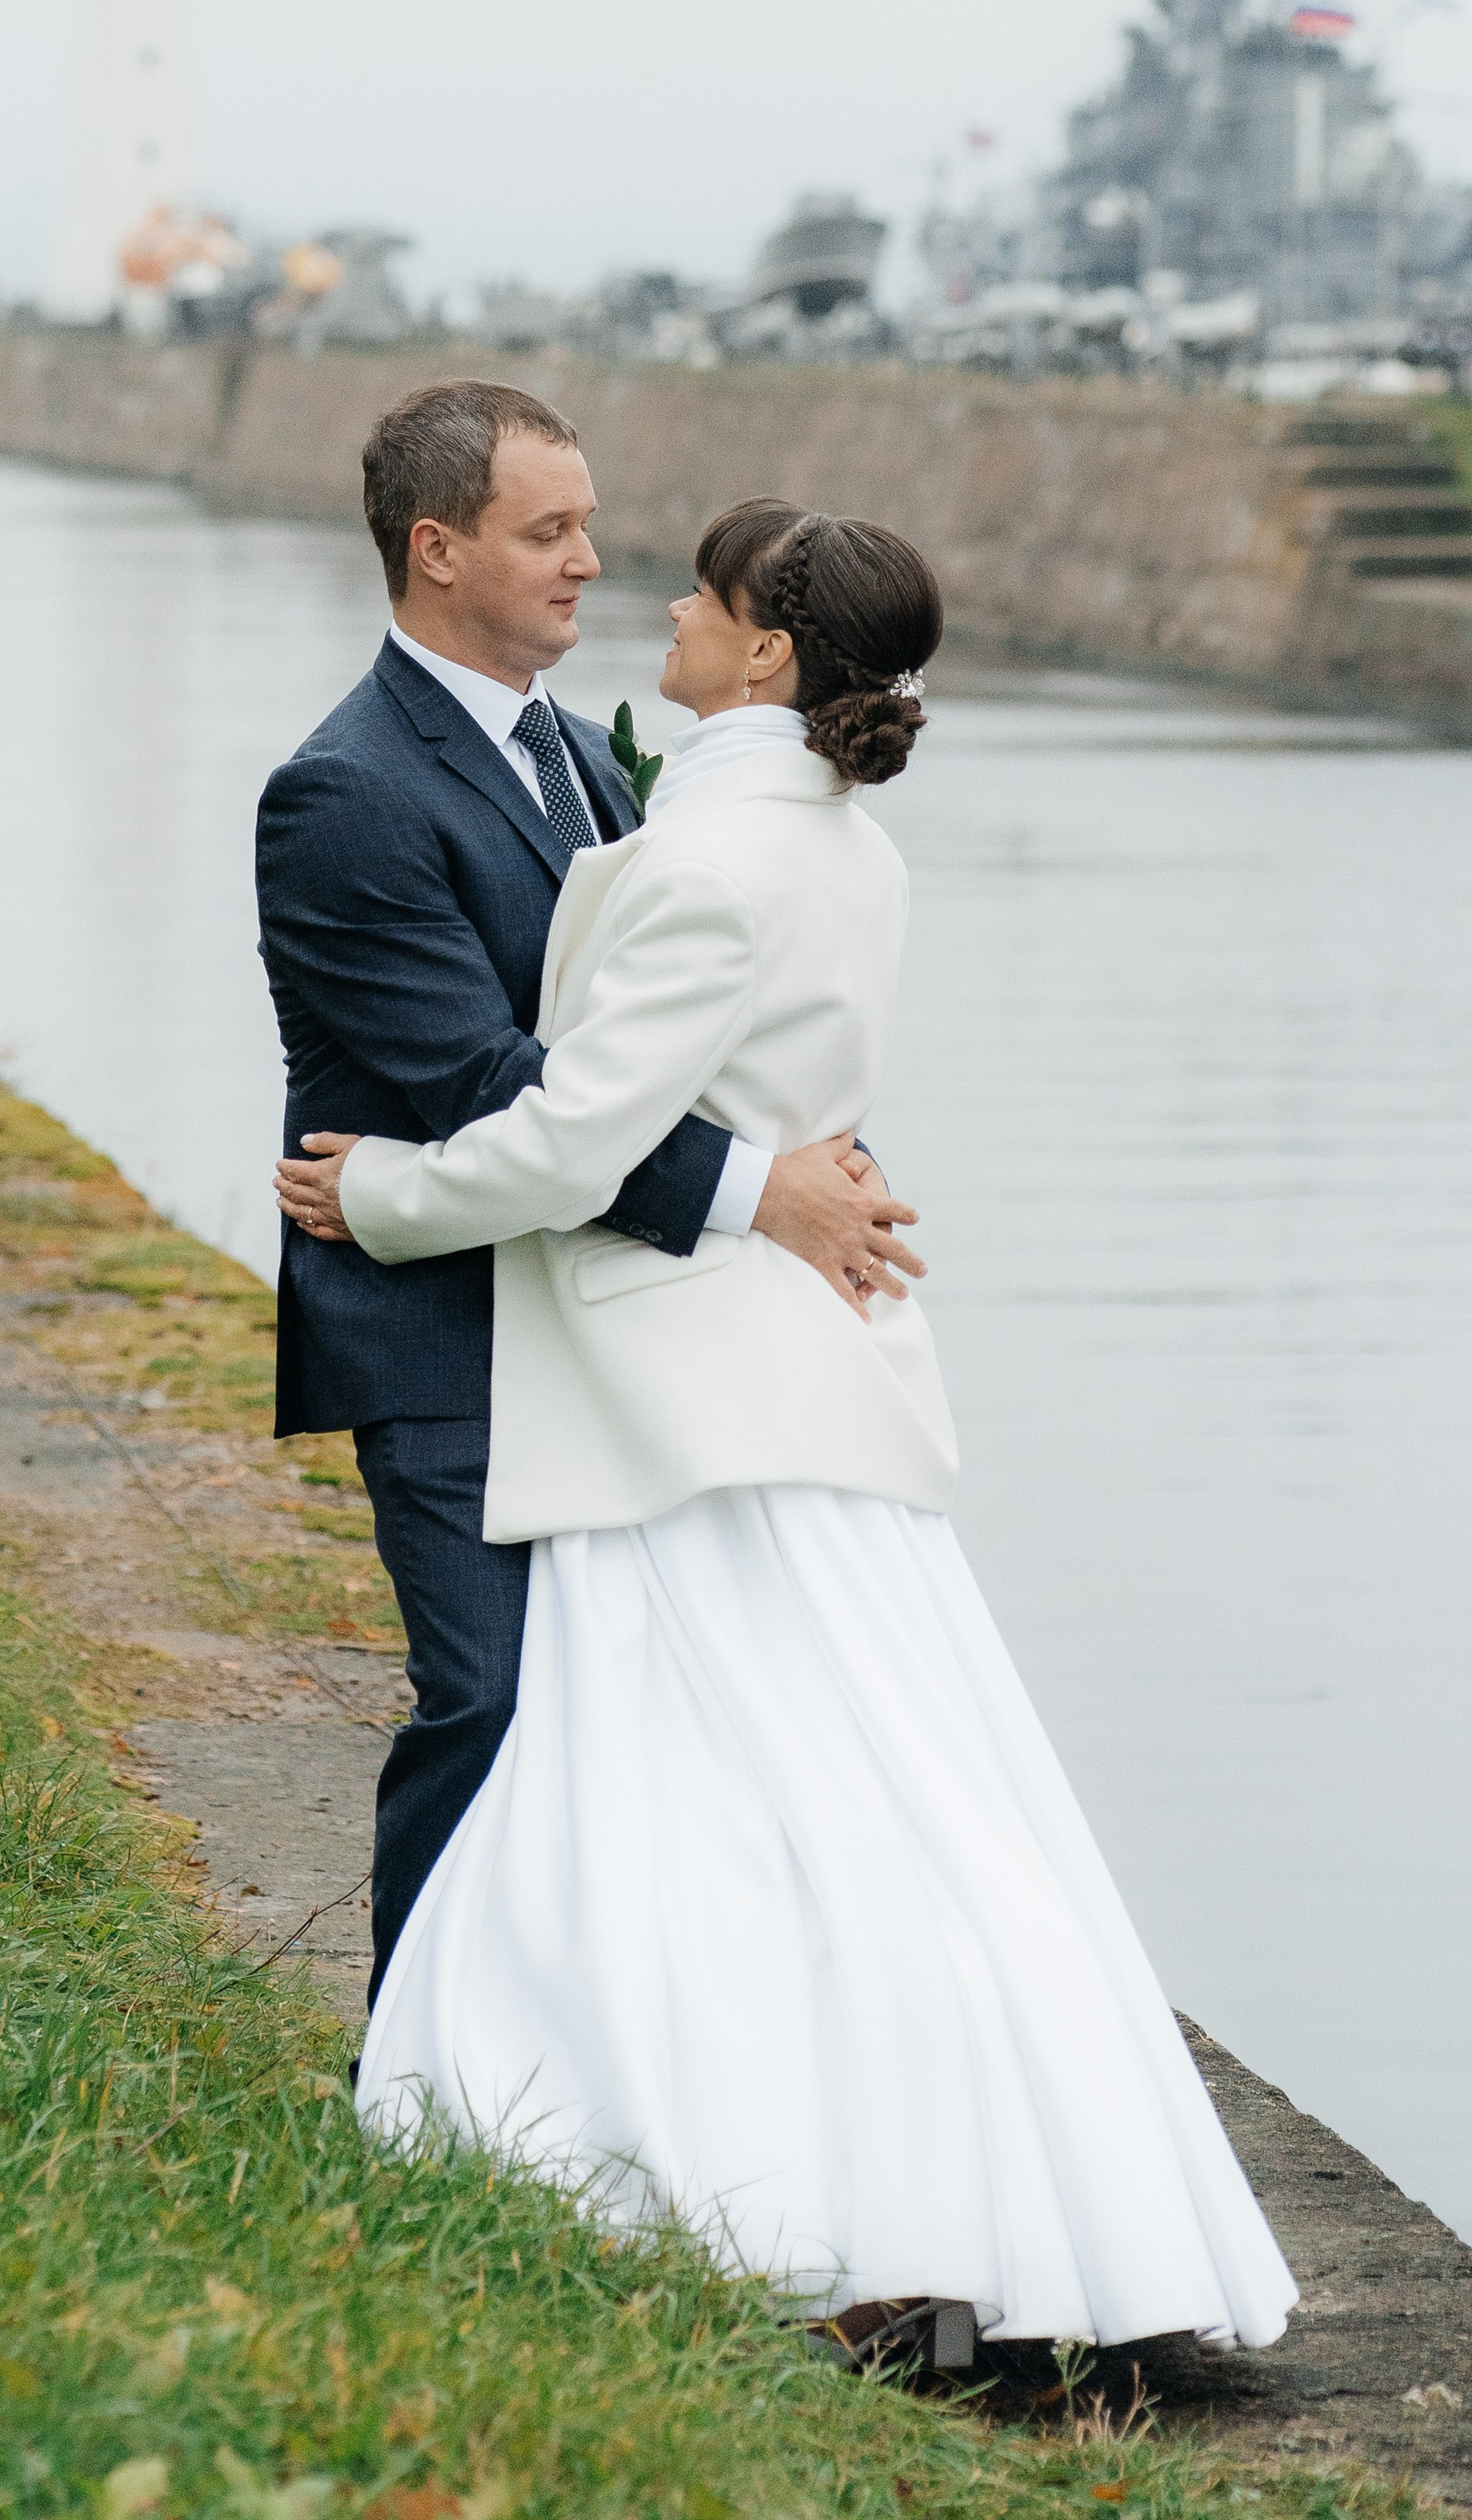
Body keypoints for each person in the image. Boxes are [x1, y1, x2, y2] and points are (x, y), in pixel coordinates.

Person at [277, 497, 1298, 2354]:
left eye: (701, 591)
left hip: (682, 1387)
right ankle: (1001, 2202)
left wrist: (388, 1197)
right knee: (900, 1789)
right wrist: (778, 1180)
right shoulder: (837, 841)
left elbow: (571, 1135)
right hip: (819, 1371)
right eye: (569, 532)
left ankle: (751, 2187)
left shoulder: (689, 851)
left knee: (704, 1796)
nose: (645, 594)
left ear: (764, 658)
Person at [254, 382, 923, 2005]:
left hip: (608, 1319)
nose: (588, 562)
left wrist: (793, 1144)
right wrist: (761, 1190)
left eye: (588, 524)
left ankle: (579, 2073)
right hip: (444, 1333)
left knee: (618, 1727)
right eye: (545, 531)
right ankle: (408, 2086)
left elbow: (662, 1043)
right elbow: (494, 1091)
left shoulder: (587, 759)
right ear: (435, 550)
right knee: (483, 1704)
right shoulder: (345, 793)